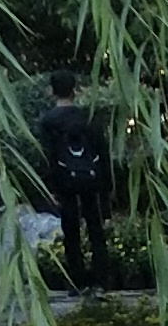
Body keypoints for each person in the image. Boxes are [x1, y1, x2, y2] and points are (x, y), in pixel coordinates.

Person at [38, 68, 115, 294]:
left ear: (52, 91)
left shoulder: (48, 122)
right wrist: (107, 184)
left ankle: (77, 281)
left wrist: (49, 185)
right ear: (75, 89)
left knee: (70, 230)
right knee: (95, 228)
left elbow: (47, 155)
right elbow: (103, 150)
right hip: (92, 179)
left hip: (64, 181)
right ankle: (101, 279)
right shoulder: (89, 117)